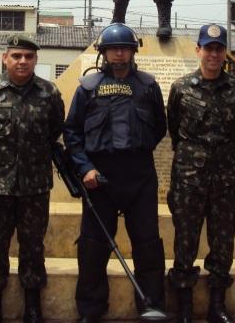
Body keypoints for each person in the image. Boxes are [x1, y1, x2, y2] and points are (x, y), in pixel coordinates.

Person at [63, 23, 167, 322]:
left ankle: (152, 305)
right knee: (93, 248)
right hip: (100, 178)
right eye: (113, 48)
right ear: (104, 52)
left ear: (133, 51)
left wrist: (136, 152)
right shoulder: (87, 88)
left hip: (140, 176)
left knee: (148, 245)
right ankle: (91, 309)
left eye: (125, 48)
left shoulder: (148, 86)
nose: (119, 53)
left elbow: (159, 127)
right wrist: (86, 167)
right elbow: (72, 133)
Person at [0, 34, 65, 323]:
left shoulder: (49, 93)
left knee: (33, 245)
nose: (23, 61)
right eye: (17, 56)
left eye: (29, 56)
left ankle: (32, 307)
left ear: (36, 60)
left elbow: (54, 131)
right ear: (5, 58)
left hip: (35, 186)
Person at [166, 24, 235, 323]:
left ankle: (217, 304)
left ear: (225, 53)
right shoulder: (181, 87)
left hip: (226, 175)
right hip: (189, 177)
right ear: (198, 50)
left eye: (218, 48)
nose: (213, 54)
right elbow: (173, 127)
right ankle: (185, 306)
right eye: (208, 48)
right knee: (185, 240)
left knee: (223, 241)